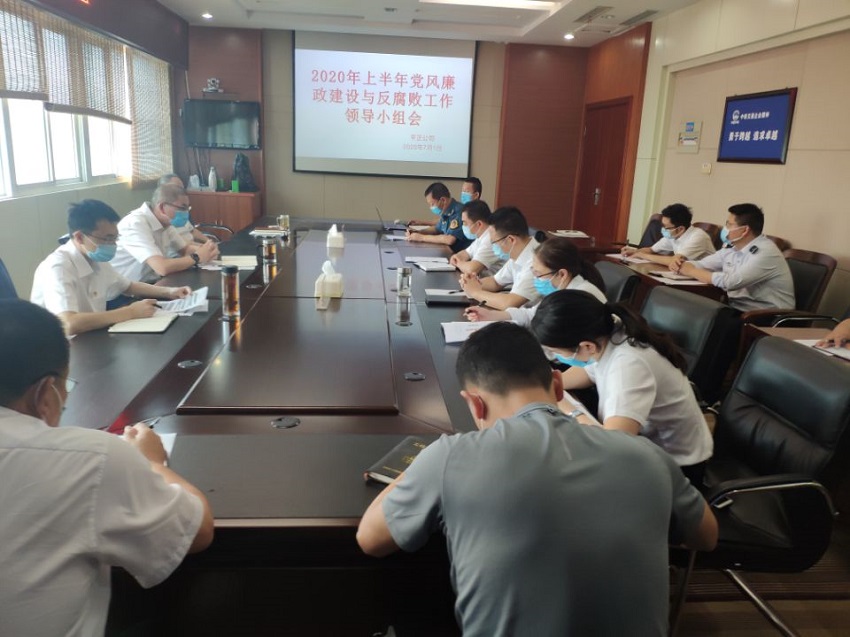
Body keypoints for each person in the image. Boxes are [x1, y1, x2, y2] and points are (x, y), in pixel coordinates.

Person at [357, 322, 718, 636]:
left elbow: (370, 539)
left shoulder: (449, 456)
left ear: (474, 404)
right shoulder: (648, 455)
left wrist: (421, 464)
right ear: (558, 386)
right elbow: (706, 536)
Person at [0, 299, 214, 637]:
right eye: (65, 387)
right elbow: (197, 532)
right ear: (45, 393)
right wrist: (150, 462)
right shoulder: (90, 459)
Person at [531, 290, 714, 485]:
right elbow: (589, 371)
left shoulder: (629, 364)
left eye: (556, 352)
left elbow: (613, 447)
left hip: (677, 467)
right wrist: (548, 386)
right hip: (644, 448)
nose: (556, 357)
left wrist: (570, 409)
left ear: (586, 346)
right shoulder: (607, 331)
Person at [30, 200, 192, 335]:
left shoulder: (95, 257)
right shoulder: (58, 267)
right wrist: (130, 312)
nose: (112, 245)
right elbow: (68, 323)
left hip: (90, 336)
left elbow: (128, 286)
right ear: (79, 237)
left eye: (115, 238)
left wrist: (169, 292)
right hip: (61, 348)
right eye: (107, 239)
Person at [669, 203, 794, 312]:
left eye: (729, 225)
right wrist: (681, 264)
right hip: (735, 308)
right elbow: (702, 264)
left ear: (745, 230)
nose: (725, 229)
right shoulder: (733, 248)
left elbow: (731, 282)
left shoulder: (765, 252)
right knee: (686, 306)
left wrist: (691, 271)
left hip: (764, 316)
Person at [465, 237, 605, 326]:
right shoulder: (561, 289)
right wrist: (490, 315)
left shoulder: (577, 298)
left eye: (538, 274)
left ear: (562, 274)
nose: (535, 279)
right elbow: (532, 315)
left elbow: (555, 345)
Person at [112, 183, 219, 283]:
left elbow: (185, 249)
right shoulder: (135, 224)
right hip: (128, 291)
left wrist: (207, 250)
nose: (186, 213)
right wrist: (197, 257)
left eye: (188, 208)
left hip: (153, 283)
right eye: (182, 208)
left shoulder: (166, 224)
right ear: (162, 208)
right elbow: (162, 267)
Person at [459, 206, 540, 310]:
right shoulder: (518, 252)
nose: (493, 246)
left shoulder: (536, 261)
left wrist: (475, 292)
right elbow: (496, 282)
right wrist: (472, 283)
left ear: (511, 240)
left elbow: (509, 303)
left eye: (494, 242)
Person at [621, 203, 715, 264]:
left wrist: (643, 255)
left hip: (706, 281)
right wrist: (635, 251)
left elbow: (675, 260)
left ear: (680, 229)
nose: (663, 229)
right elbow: (651, 250)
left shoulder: (698, 236)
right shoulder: (674, 235)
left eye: (666, 227)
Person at [405, 182, 471, 252]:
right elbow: (436, 229)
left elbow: (449, 240)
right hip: (448, 251)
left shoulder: (459, 211)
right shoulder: (445, 211)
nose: (431, 207)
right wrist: (418, 232)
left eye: (432, 204)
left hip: (460, 255)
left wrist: (421, 237)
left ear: (443, 200)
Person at [448, 200, 505, 276]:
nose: (463, 226)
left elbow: (472, 269)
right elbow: (465, 253)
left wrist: (458, 263)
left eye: (465, 222)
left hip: (492, 282)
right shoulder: (481, 236)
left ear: (479, 224)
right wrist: (457, 258)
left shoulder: (490, 239)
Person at [159, 173, 210, 245]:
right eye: (176, 188)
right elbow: (179, 243)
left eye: (182, 188)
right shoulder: (163, 220)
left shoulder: (181, 211)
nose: (180, 191)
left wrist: (209, 242)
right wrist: (203, 247)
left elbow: (192, 230)